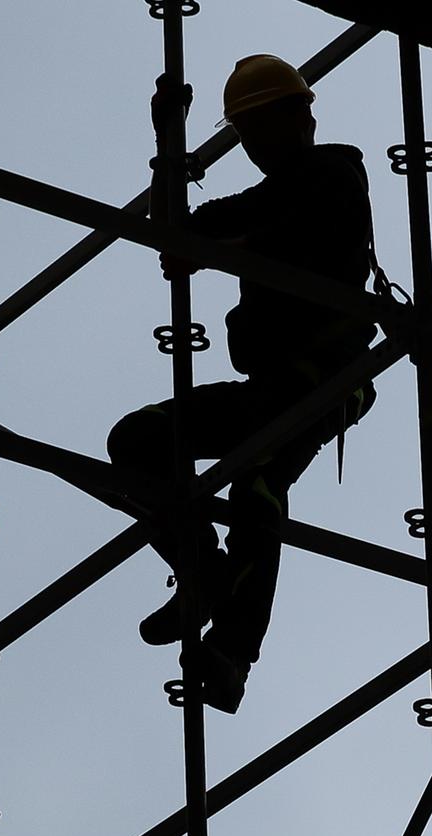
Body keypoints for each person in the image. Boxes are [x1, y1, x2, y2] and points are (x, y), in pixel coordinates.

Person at [107, 54, 379, 714]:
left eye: (260, 127)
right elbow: (175, 234)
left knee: (257, 483)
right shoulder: (275, 193)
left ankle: (232, 650)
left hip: (322, 379)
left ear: (301, 117)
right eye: (245, 131)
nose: (252, 145)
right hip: (271, 387)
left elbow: (258, 234)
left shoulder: (330, 177)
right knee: (138, 441)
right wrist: (166, 140)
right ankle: (203, 568)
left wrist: (209, 239)